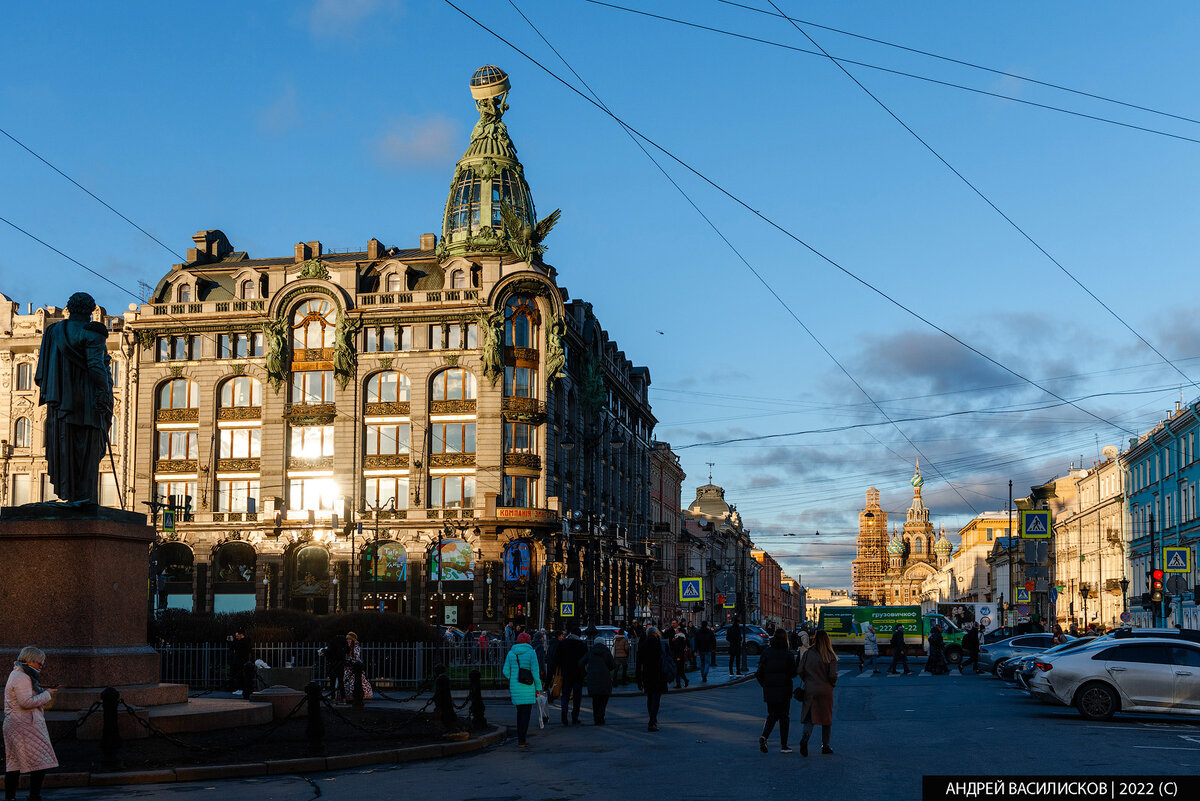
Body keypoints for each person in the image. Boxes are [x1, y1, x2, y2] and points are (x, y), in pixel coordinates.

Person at [5, 647, 58, 801]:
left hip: (18, 724)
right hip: (25, 724)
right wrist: (47, 694)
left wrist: (45, 692)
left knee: (13, 764)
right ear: (28, 660)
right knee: (40, 761)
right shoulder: (21, 677)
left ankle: (10, 798)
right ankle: (34, 796)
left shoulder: (20, 674)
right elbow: (25, 702)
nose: (41, 666)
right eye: (39, 663)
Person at [797, 629, 838, 756]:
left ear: (814, 639)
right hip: (826, 690)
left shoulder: (808, 653)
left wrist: (807, 680)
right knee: (826, 718)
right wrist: (832, 684)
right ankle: (825, 746)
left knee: (810, 717)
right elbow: (832, 675)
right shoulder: (830, 655)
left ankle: (805, 738)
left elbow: (800, 670)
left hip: (810, 688)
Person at [756, 631, 797, 753]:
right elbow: (794, 673)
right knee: (784, 716)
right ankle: (784, 746)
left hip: (770, 689)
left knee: (772, 715)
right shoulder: (788, 654)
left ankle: (764, 736)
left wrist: (765, 685)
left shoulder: (766, 652)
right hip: (784, 689)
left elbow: (759, 673)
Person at [501, 632, 544, 748]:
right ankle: (522, 740)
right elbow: (535, 673)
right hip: (528, 687)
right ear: (528, 641)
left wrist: (513, 678)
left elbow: (505, 672)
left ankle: (520, 738)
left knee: (519, 713)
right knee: (526, 714)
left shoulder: (511, 653)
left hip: (515, 687)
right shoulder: (531, 653)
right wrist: (538, 688)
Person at [635, 626, 668, 732]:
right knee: (656, 699)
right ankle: (652, 721)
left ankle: (652, 719)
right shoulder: (660, 644)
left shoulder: (643, 645)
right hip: (658, 675)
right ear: (655, 634)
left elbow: (638, 663)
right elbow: (665, 660)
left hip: (647, 674)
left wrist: (638, 679)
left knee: (649, 698)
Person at [554, 627, 587, 726]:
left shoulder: (563, 644)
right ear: (579, 635)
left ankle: (564, 715)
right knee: (577, 697)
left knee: (565, 694)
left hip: (566, 673)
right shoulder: (582, 645)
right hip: (578, 674)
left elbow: (557, 658)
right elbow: (585, 660)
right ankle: (575, 717)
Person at [580, 637, 616, 724]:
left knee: (595, 699)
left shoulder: (590, 652)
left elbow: (581, 663)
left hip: (593, 678)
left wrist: (586, 672)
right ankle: (601, 715)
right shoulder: (606, 652)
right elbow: (612, 665)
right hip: (605, 678)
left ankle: (596, 717)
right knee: (604, 698)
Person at [343, 632, 374, 701]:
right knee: (346, 681)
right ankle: (346, 695)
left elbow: (356, 656)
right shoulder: (345, 647)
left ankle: (353, 695)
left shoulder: (356, 647)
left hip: (354, 666)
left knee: (355, 681)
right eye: (347, 639)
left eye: (349, 639)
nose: (348, 640)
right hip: (347, 666)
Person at [228, 629, 253, 697]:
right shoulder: (241, 641)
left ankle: (242, 689)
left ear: (241, 634)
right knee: (238, 676)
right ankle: (239, 689)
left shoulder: (245, 641)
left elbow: (238, 646)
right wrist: (231, 641)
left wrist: (233, 641)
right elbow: (233, 647)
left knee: (242, 676)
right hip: (238, 661)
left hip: (242, 661)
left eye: (237, 635)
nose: (236, 637)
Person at [325, 630, 347, 701]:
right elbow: (347, 650)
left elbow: (328, 653)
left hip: (333, 664)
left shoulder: (332, 642)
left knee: (332, 682)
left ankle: (333, 697)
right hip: (341, 664)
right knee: (341, 682)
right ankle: (343, 698)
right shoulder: (343, 641)